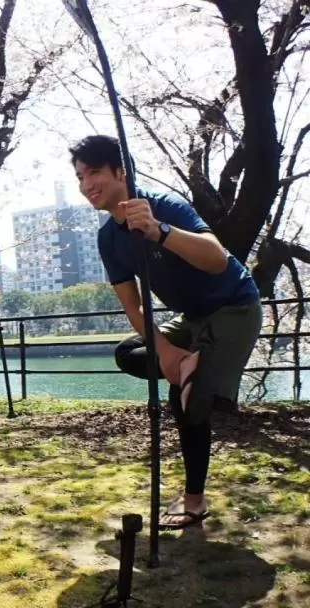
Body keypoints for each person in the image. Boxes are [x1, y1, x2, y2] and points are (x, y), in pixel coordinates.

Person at [69, 134, 262, 529]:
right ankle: (194, 372)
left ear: (121, 172)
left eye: (94, 172)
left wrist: (160, 232)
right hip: (191, 318)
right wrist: (166, 352)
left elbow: (217, 261)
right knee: (130, 353)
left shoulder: (164, 206)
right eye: (80, 176)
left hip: (233, 307)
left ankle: (193, 501)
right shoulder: (108, 238)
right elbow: (133, 307)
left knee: (184, 400)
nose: (87, 184)